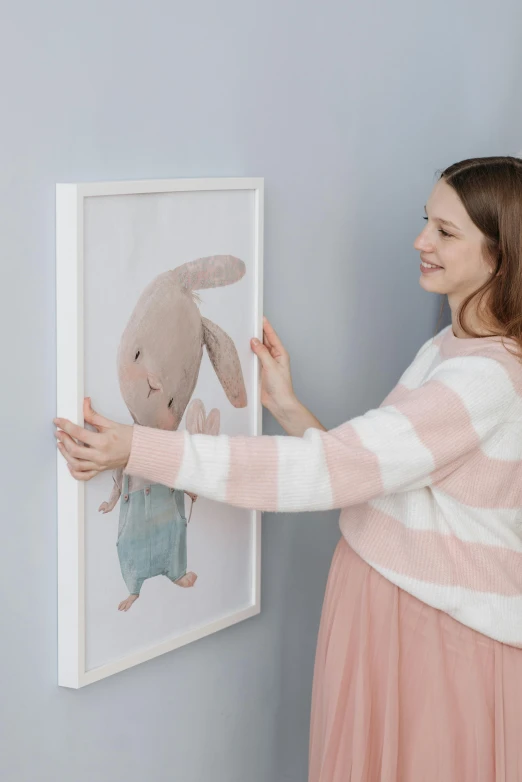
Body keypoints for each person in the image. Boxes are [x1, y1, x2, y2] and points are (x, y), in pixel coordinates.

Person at [54, 156, 522, 782]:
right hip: (407, 622)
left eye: (445, 231)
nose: (420, 242)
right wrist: (287, 406)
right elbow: (380, 472)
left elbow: (332, 469)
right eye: (425, 222)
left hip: (437, 641)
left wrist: (139, 449)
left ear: (501, 254)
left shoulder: (484, 378)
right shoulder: (456, 344)